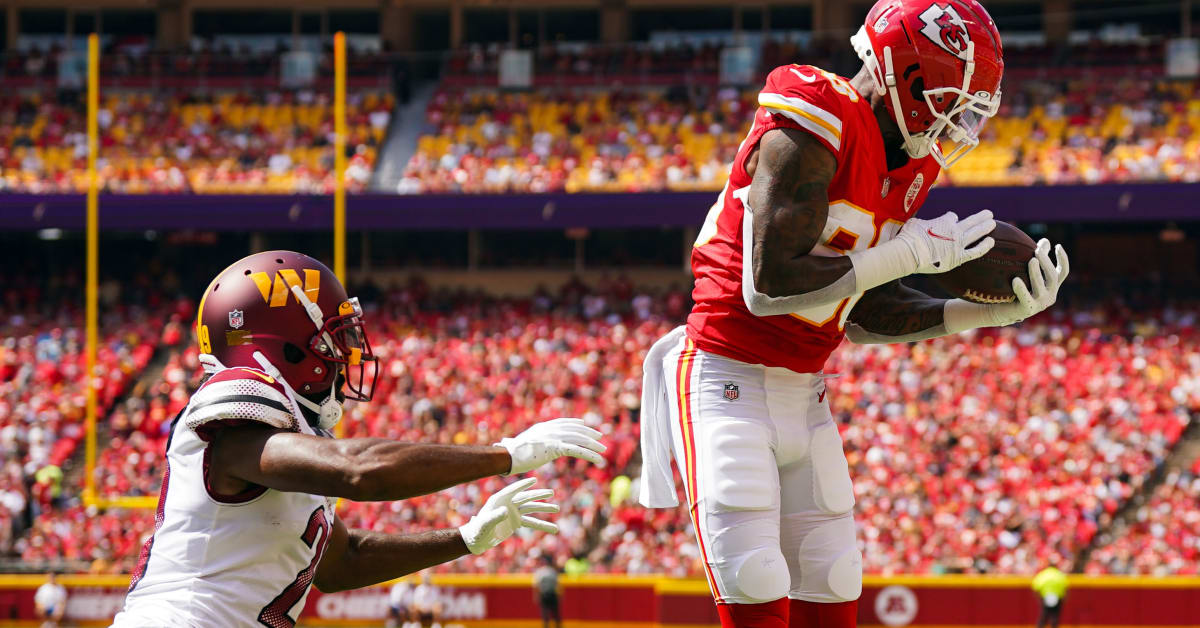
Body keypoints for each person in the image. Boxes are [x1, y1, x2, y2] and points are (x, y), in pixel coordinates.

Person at [637, 2, 1070, 627]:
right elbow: (769, 285)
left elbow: (858, 311)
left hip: (807, 392)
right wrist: (913, 251)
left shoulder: (913, 164)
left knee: (835, 583)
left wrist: (977, 315)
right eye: (956, 97)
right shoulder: (817, 115)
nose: (963, 119)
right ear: (910, 77)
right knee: (756, 582)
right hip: (726, 378)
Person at [110, 251, 606, 628]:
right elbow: (358, 468)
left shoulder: (289, 440)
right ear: (283, 344)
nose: (347, 353)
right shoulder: (234, 409)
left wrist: (466, 537)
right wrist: (505, 454)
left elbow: (344, 561)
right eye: (334, 336)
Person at [533, 555, 562, 628]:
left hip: (544, 594)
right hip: (552, 594)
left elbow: (536, 585)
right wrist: (560, 595)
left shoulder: (539, 572)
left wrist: (536, 595)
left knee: (545, 614)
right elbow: (558, 584)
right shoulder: (553, 571)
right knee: (555, 614)